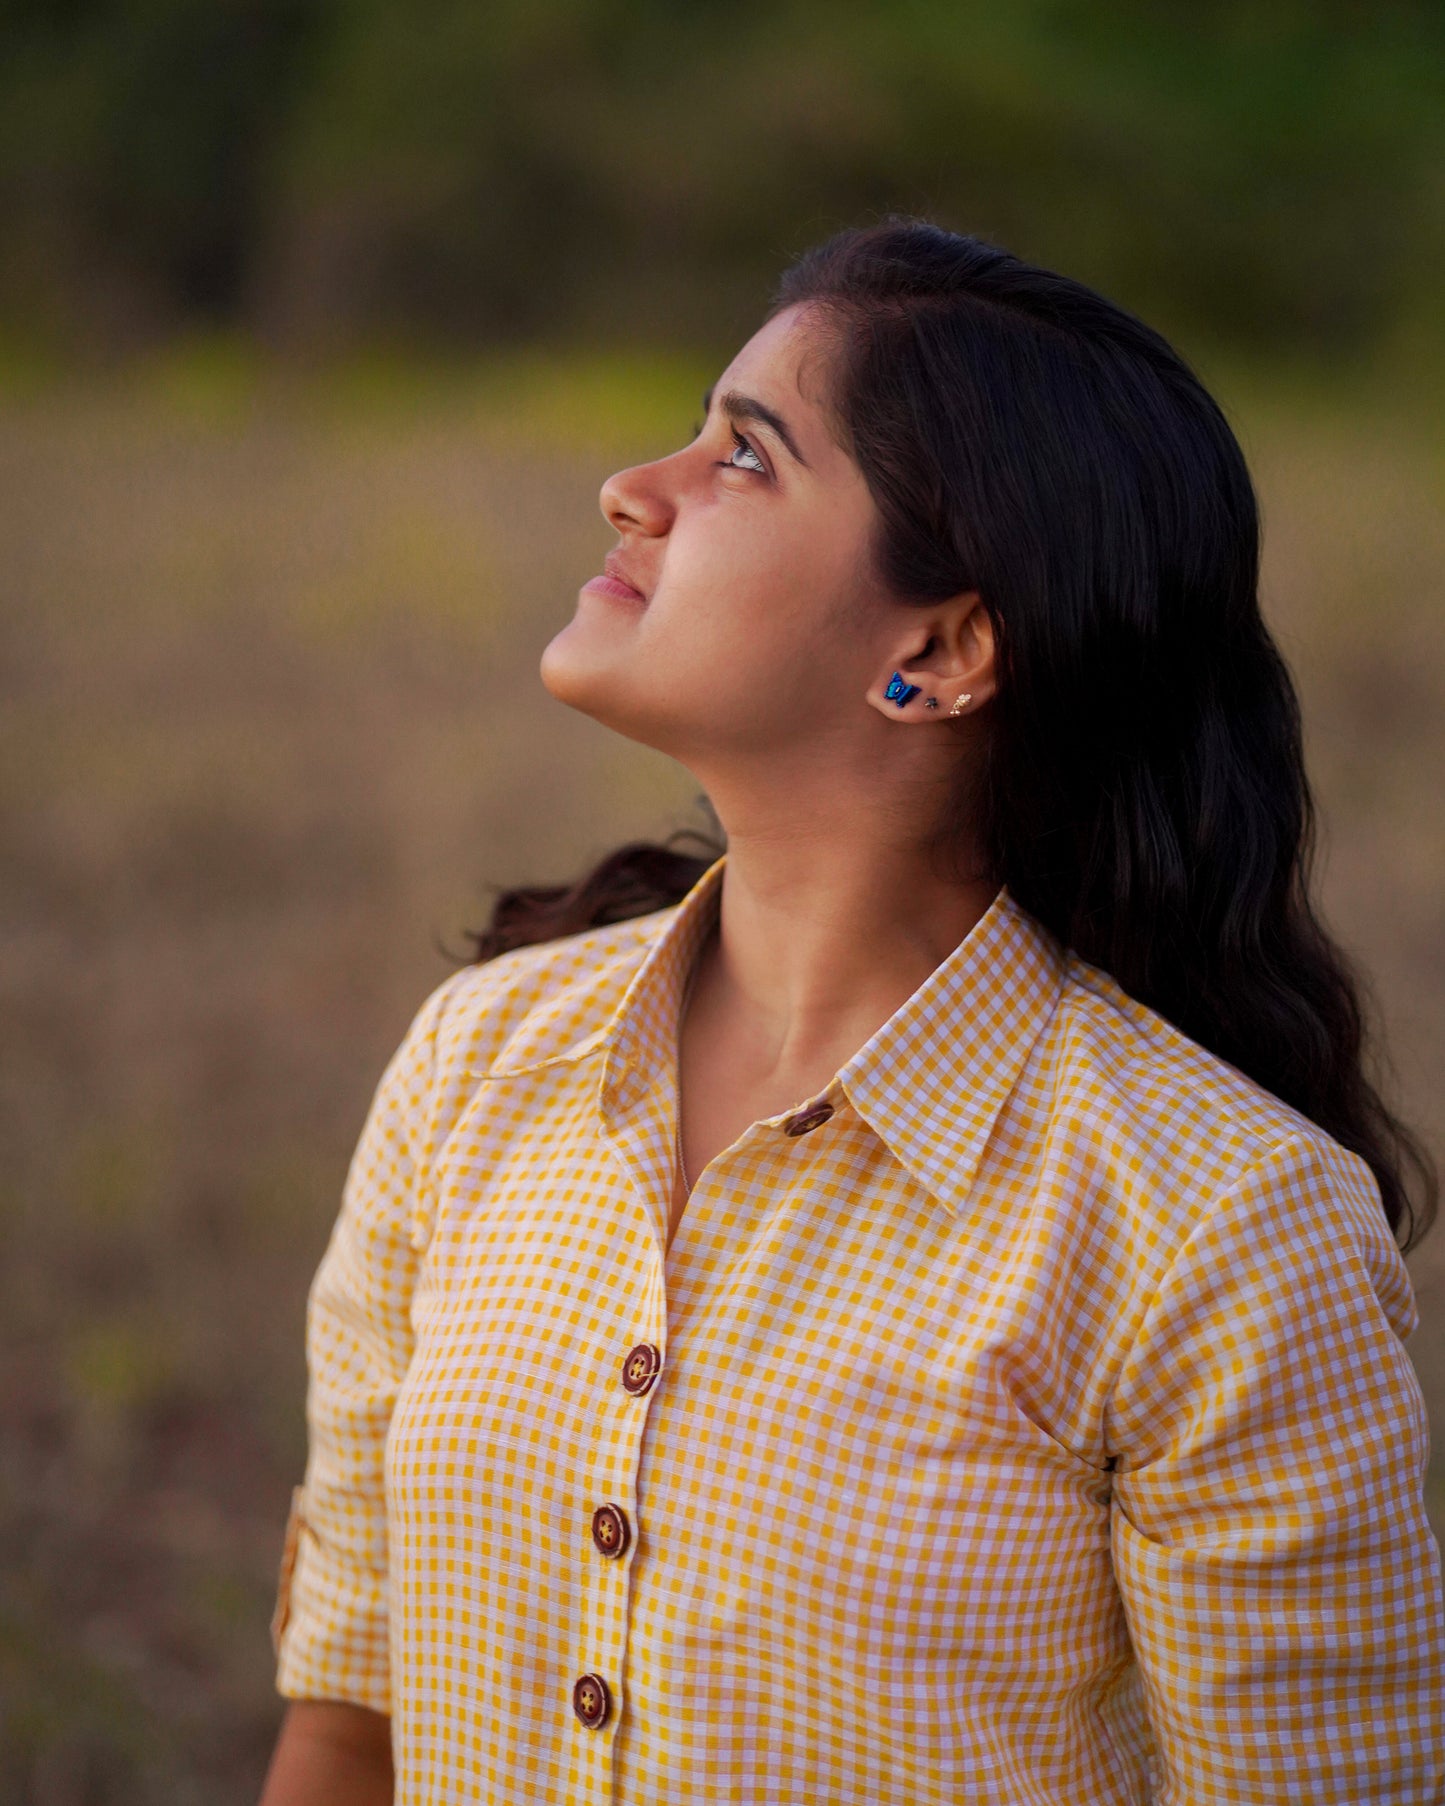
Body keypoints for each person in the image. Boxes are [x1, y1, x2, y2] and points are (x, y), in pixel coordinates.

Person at [258, 218, 1444, 1805]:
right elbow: (351, 1719)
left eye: (744, 458)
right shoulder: (472, 1063)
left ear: (941, 650)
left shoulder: (1227, 1227)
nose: (635, 488)